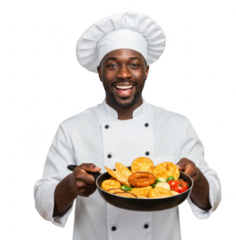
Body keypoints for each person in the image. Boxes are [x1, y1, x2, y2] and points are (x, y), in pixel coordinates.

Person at [33, 10, 222, 240]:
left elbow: (210, 201)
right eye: (112, 65)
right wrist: (70, 184)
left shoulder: (178, 124)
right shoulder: (71, 127)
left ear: (146, 72)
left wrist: (197, 177)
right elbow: (43, 203)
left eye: (133, 64)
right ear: (100, 72)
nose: (124, 74)